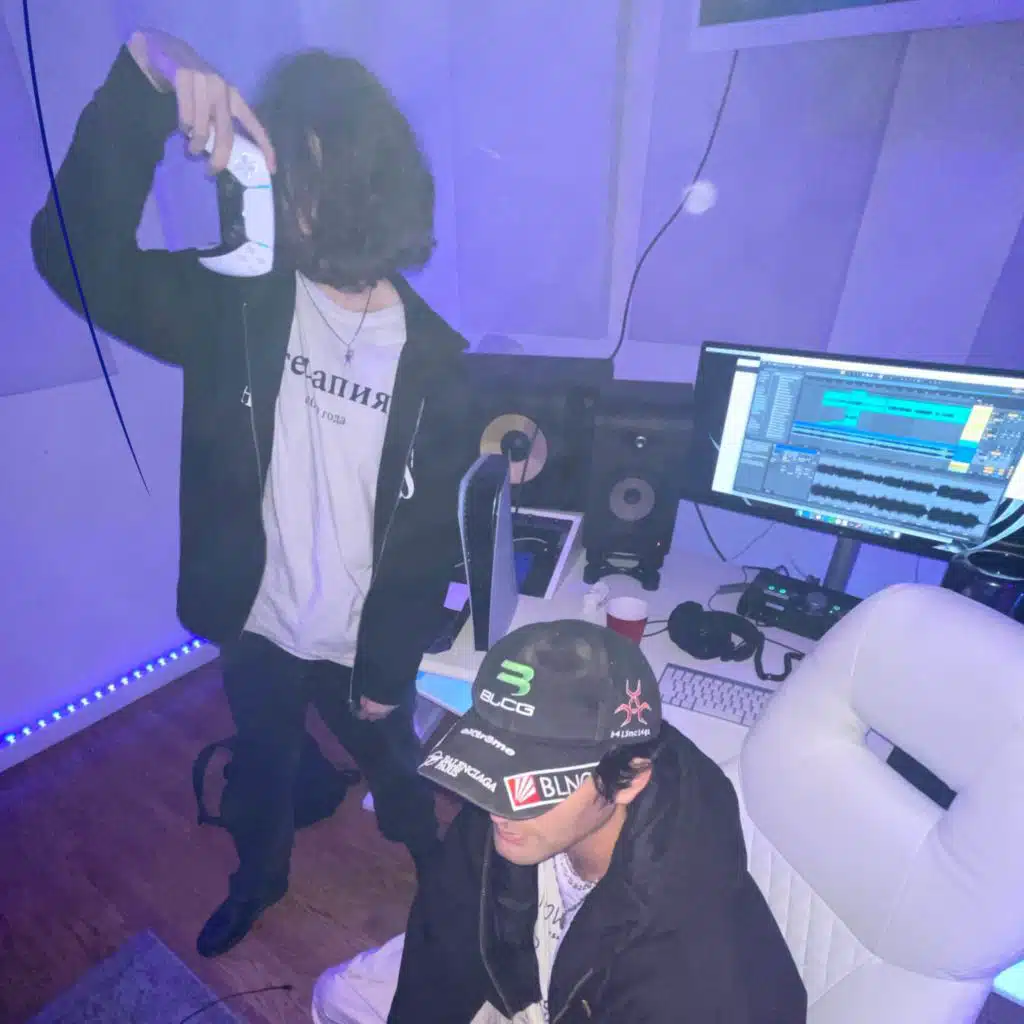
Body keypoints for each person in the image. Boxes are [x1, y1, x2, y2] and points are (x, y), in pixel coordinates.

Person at [32, 30, 469, 958]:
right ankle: (258, 879)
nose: (291, 197)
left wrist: (389, 671)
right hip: (259, 620)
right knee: (264, 769)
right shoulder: (238, 304)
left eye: (310, 170)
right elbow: (72, 257)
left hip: (363, 640)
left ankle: (432, 859)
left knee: (398, 763)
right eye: (283, 168)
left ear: (368, 180)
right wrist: (145, 75)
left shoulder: (439, 360)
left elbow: (427, 533)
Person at [362, 619, 807, 1023]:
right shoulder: (506, 815)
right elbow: (440, 943)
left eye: (536, 782)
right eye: (491, 762)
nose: (498, 806)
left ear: (629, 779)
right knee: (339, 994)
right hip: (517, 991)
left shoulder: (697, 975)